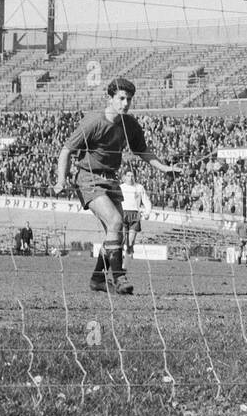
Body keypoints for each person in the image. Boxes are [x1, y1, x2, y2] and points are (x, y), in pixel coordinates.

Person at [53, 78, 183, 294]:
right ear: (110, 98)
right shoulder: (93, 122)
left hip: (112, 180)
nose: (125, 103)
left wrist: (163, 168)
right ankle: (119, 278)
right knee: (115, 221)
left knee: (115, 232)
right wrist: (60, 180)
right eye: (121, 98)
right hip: (89, 178)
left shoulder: (129, 124)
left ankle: (97, 280)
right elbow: (66, 150)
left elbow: (142, 150)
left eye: (129, 99)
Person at [119, 174, 153, 257]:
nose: (130, 178)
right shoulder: (121, 187)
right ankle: (118, 261)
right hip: (123, 213)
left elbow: (146, 201)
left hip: (135, 215)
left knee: (130, 242)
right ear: (124, 177)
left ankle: (125, 263)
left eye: (132, 176)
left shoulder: (139, 187)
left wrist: (147, 212)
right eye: (128, 176)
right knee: (122, 239)